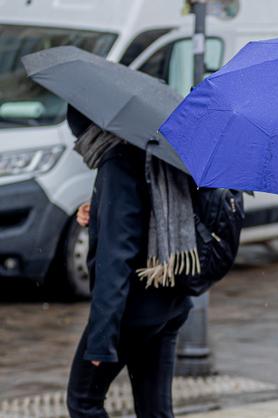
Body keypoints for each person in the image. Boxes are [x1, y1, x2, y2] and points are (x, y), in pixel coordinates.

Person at [66, 107, 192, 418]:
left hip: (133, 307)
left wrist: (100, 339)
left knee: (84, 401)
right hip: (170, 298)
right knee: (155, 412)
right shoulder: (151, 148)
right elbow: (145, 213)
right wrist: (97, 211)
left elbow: (115, 257)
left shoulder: (117, 161)